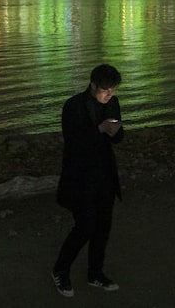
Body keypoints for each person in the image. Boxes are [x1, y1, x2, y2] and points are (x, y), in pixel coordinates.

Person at [52, 64, 124, 297]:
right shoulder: (73, 106)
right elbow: (73, 143)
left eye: (113, 90)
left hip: (104, 176)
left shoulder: (113, 103)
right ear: (93, 85)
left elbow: (118, 137)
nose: (109, 94)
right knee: (84, 227)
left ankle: (95, 273)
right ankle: (60, 270)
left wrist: (116, 132)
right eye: (105, 90)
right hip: (80, 178)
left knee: (103, 227)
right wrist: (99, 130)